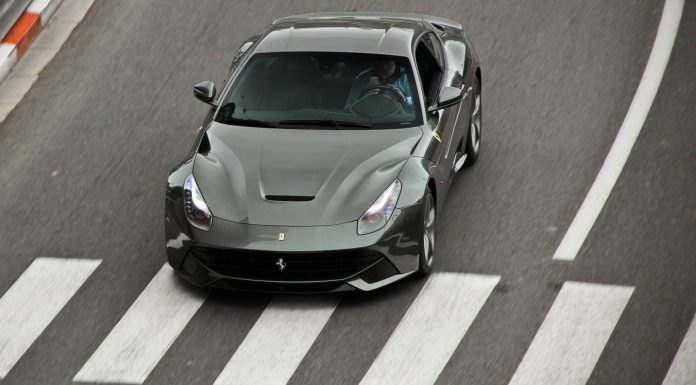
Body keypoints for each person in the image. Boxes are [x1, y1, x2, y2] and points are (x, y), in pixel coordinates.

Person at [344, 59, 414, 109]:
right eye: (380, 58)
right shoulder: (362, 78)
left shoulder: (408, 76)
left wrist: (404, 100)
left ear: (395, 59)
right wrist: (362, 101)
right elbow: (348, 108)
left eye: (387, 57)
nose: (383, 60)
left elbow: (418, 107)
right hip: (369, 122)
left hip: (399, 122)